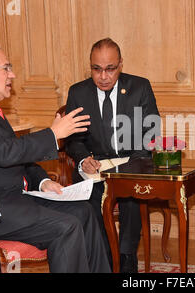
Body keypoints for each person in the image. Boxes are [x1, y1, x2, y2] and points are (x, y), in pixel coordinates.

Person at [0, 45, 111, 273]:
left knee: (84, 212)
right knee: (66, 226)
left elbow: (16, 156)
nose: (12, 75)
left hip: (13, 200)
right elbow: (4, 152)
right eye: (6, 68)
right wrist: (53, 134)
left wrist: (42, 181)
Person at [65, 38, 160, 273]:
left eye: (110, 68)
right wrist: (83, 159)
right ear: (90, 67)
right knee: (88, 199)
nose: (103, 76)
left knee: (130, 194)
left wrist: (135, 161)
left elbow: (152, 131)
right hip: (95, 166)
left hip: (131, 162)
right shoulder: (78, 92)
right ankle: (105, 257)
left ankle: (127, 257)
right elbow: (72, 138)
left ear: (120, 65)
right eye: (97, 69)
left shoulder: (140, 87)